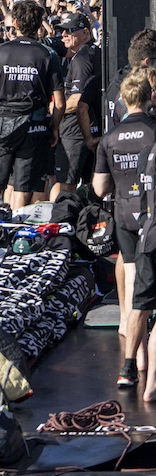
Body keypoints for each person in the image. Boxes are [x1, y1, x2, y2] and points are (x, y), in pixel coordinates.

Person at [91, 67, 156, 391]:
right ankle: (148, 362)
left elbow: (99, 187)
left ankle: (137, 357)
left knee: (133, 288)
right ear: (150, 97)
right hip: (151, 216)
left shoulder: (111, 137)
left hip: (125, 217)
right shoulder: (154, 130)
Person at [0, 0, 65, 212]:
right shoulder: (48, 54)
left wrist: (0, 114)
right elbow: (60, 103)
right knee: (22, 189)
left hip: (1, 127)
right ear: (38, 25)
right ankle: (17, 236)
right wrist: (54, 128)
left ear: (14, 23)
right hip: (34, 127)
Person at [50, 11, 102, 198]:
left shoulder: (81, 58)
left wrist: (53, 110)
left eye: (70, 31)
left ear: (85, 33)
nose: (63, 35)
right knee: (88, 186)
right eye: (62, 31)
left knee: (65, 186)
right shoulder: (94, 54)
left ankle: (62, 223)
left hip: (74, 133)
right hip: (89, 130)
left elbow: (77, 101)